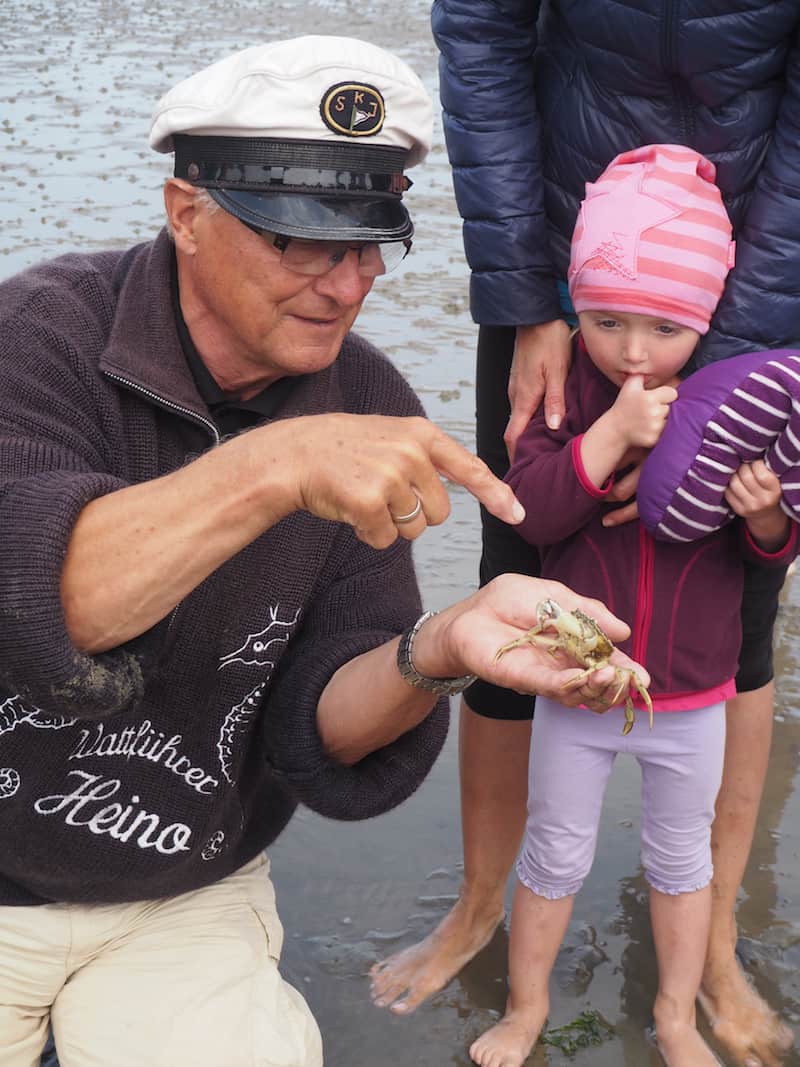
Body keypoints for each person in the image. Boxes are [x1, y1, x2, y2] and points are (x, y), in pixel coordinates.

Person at [0, 34, 648, 1067]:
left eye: (366, 244)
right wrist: (275, 465)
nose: (343, 287)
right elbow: (47, 600)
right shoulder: (36, 337)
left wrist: (436, 648)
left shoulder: (369, 397)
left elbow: (320, 723)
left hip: (184, 892)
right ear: (186, 214)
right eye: (297, 241)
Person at [371, 7, 800, 1065]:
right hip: (568, 247)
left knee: (744, 615)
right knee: (508, 573)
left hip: (750, 260)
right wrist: (533, 294)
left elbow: (768, 546)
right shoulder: (584, 341)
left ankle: (710, 956)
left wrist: (724, 361)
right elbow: (481, 36)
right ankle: (482, 903)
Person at [469, 144, 797, 1067]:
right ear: (578, 307)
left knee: (684, 866)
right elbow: (528, 509)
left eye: (663, 325)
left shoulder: (732, 403)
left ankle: (677, 1017)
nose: (634, 350)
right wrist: (608, 433)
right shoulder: (565, 390)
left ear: (706, 317)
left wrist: (768, 515)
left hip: (692, 694)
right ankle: (527, 1008)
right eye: (607, 320)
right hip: (580, 684)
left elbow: (764, 550)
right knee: (556, 854)